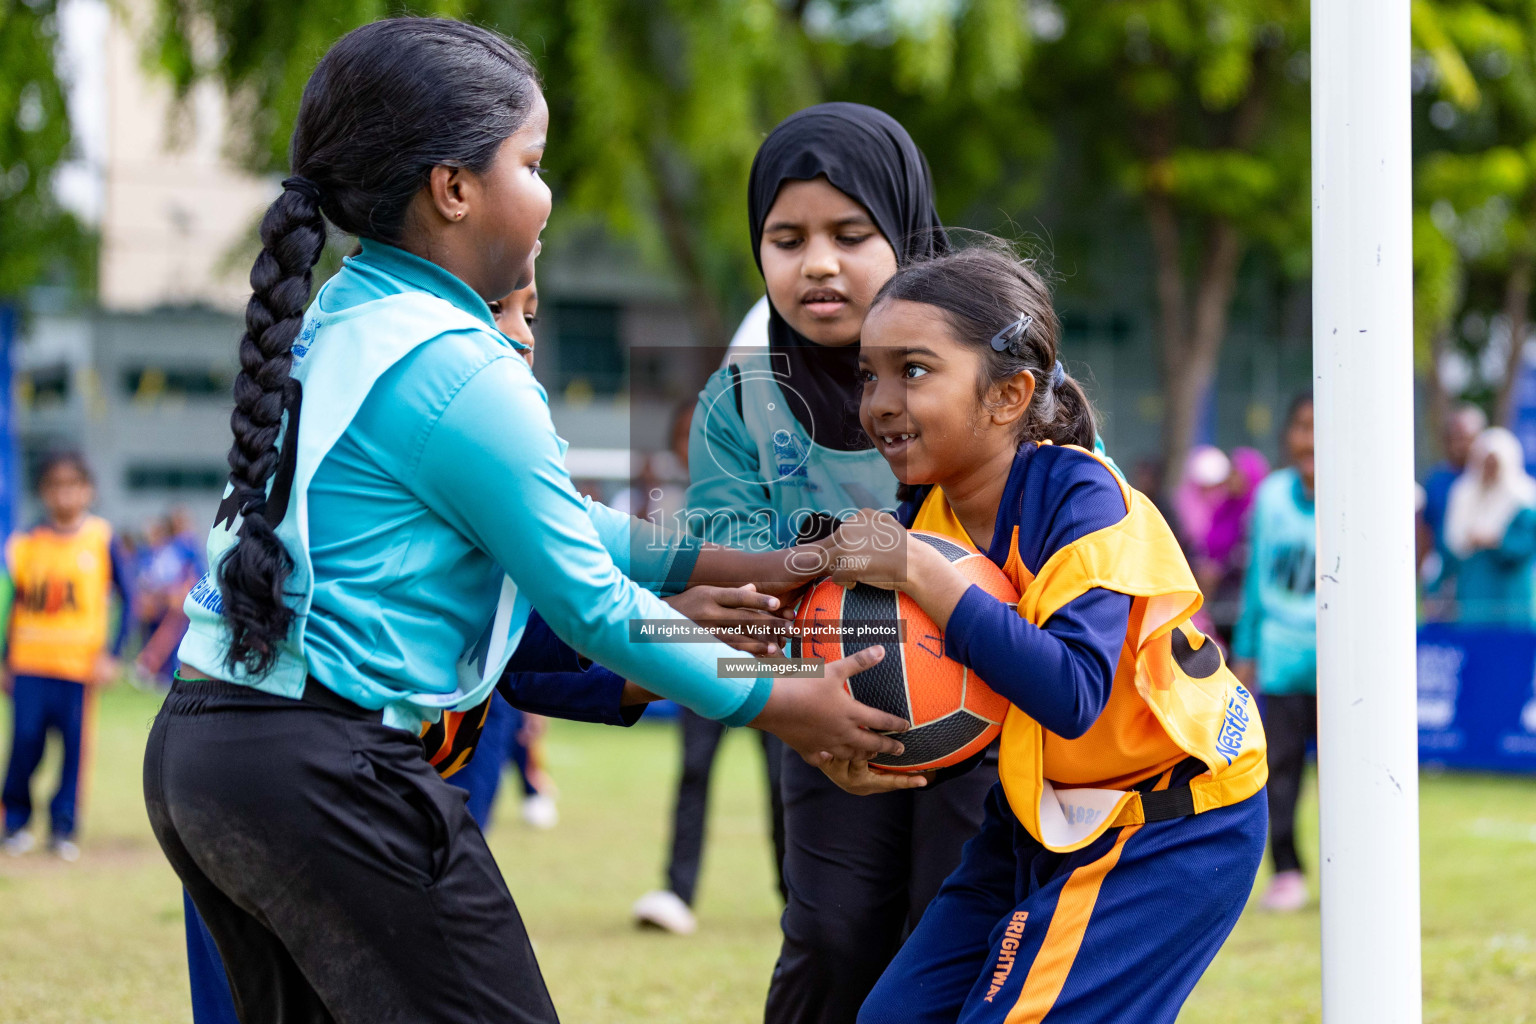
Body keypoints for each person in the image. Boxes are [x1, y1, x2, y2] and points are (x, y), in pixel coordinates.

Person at [143, 21, 908, 1024]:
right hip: (330, 772)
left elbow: (580, 526)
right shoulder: (458, 368)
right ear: (453, 189)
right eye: (533, 164)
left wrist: (757, 559)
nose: (548, 197)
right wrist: (782, 700)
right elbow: (593, 609)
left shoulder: (353, 314)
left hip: (205, 752)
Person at [822, 243, 1267, 1024]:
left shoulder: (1080, 496)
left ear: (1009, 395)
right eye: (870, 373)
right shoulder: (923, 522)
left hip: (1174, 819)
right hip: (1042, 815)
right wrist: (853, 744)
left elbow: (1072, 694)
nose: (880, 401)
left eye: (914, 370)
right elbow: (952, 695)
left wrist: (926, 575)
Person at [678, 103, 1000, 1022]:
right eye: (787, 238)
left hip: (987, 715)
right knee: (831, 936)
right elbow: (727, 590)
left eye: (850, 234)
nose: (817, 262)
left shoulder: (994, 375)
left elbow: (1072, 547)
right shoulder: (739, 402)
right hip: (827, 722)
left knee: (953, 937)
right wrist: (803, 718)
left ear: (905, 232)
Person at [633, 398, 788, 937]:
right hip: (701, 657)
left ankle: (795, 897)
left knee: (781, 779)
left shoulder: (767, 498)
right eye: (687, 439)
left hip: (773, 658)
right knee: (695, 770)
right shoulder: (666, 500)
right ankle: (677, 892)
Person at [2, 451, 134, 862]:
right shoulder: (24, 544)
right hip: (29, 664)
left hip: (78, 668)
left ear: (87, 490)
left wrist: (111, 655)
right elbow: (11, 603)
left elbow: (129, 599)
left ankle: (63, 828)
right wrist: (4, 659)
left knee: (74, 750)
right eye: (55, 486)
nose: (64, 494)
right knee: (24, 743)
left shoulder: (101, 538)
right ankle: (16, 822)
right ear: (44, 492)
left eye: (72, 485)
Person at [1231, 393, 1316, 913]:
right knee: (1280, 771)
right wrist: (1246, 651)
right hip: (1283, 658)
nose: (1312, 439)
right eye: (1303, 426)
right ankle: (1287, 872)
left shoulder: (1357, 493)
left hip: (1344, 666)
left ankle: (1354, 869)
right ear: (1288, 435)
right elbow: (1257, 583)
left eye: (1321, 428)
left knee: (1351, 772)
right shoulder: (1272, 497)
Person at [1444, 426, 1536, 625]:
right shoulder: (1464, 494)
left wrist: (1495, 540)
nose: (1489, 470)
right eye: (1485, 464)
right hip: (1472, 599)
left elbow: (1526, 546)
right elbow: (1451, 544)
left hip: (1511, 602)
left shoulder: (1523, 499)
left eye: (1495, 464)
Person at [1422, 402, 1489, 591]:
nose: (1459, 445)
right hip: (1446, 579)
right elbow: (1426, 533)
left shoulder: (1494, 481)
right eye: (1454, 438)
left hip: (1486, 581)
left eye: (1466, 438)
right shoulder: (1437, 482)